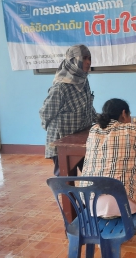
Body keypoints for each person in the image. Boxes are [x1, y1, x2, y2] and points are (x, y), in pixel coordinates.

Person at [80, 98, 136, 254]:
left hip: (91, 203)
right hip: (124, 205)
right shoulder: (131, 129)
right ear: (124, 114)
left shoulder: (93, 131)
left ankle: (103, 243)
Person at [39, 44, 97, 176]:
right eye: (84, 59)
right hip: (63, 142)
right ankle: (69, 198)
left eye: (89, 58)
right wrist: (55, 134)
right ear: (73, 61)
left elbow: (87, 107)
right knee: (66, 179)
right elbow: (45, 113)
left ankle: (89, 197)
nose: (88, 62)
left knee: (92, 173)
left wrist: (102, 119)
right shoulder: (61, 87)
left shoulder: (83, 81)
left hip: (81, 140)